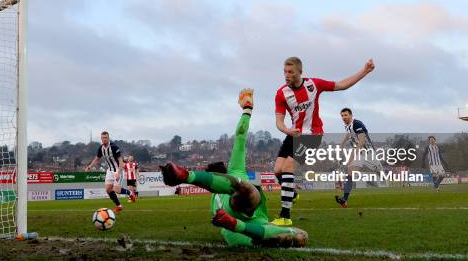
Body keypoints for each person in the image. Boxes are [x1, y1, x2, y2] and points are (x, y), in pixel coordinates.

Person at [160, 89, 308, 248]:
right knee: (298, 234)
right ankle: (187, 177)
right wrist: (247, 110)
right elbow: (240, 137)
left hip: (229, 219)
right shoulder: (235, 169)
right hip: (248, 204)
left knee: (241, 233)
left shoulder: (213, 202)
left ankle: (189, 178)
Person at [273, 56, 375, 225]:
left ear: (300, 72)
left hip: (312, 134)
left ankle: (285, 216)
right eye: (285, 72)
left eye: (290, 72)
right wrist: (287, 130)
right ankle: (292, 194)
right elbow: (279, 121)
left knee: (288, 167)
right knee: (277, 171)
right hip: (293, 133)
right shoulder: (281, 94)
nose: (286, 75)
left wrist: (365, 70)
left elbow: (341, 85)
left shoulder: (313, 85)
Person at [334, 107, 380, 208]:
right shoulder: (347, 126)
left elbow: (361, 142)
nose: (343, 117)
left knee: (380, 171)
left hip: (369, 154)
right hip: (359, 154)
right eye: (342, 115)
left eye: (345, 115)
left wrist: (351, 157)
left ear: (351, 115)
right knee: (350, 170)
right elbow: (348, 135)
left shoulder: (357, 124)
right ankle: (344, 200)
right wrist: (341, 146)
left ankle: (384, 173)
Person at [85, 131, 134, 212]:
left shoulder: (114, 147)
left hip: (118, 170)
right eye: (103, 138)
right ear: (101, 139)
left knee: (116, 190)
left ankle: (131, 193)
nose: (104, 139)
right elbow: (97, 159)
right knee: (108, 189)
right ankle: (119, 206)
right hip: (109, 170)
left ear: (108, 138)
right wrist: (90, 166)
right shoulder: (101, 148)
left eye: (106, 138)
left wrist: (118, 173)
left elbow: (121, 161)